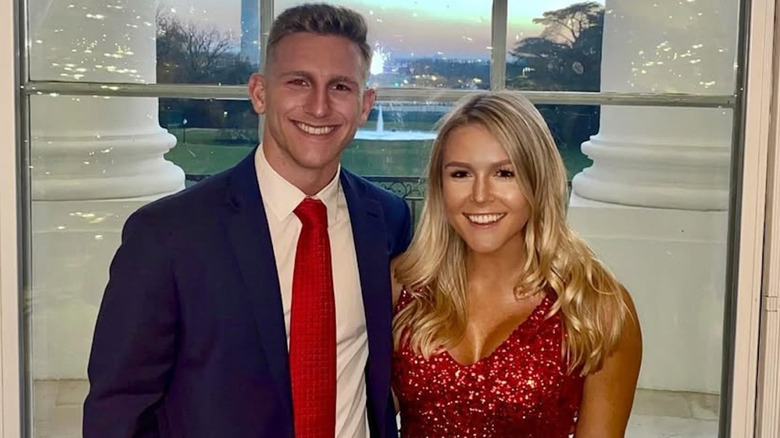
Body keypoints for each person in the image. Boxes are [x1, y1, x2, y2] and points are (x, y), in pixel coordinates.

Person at [83, 4, 411, 438]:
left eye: (340, 86)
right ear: (259, 93)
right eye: (298, 82)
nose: (319, 106)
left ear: (365, 104)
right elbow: (119, 410)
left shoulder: (387, 220)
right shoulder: (169, 236)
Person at [391, 91, 642, 437]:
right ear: (440, 185)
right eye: (461, 174)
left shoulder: (596, 308)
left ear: (538, 180)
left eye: (504, 173)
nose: (480, 196)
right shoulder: (402, 287)